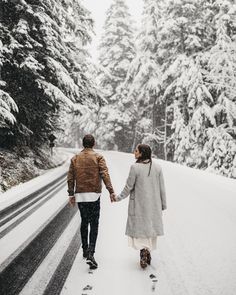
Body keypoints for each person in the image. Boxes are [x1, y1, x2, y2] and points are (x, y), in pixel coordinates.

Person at [113, 144, 167, 269]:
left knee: (140, 231)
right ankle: (146, 251)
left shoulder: (135, 168)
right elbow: (162, 189)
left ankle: (143, 252)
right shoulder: (158, 168)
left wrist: (117, 198)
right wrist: (163, 204)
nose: (134, 152)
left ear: (141, 153)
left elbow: (128, 187)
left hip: (139, 205)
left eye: (136, 151)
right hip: (154, 205)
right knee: (149, 229)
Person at [67, 134, 115, 270]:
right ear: (93, 144)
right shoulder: (98, 157)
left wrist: (71, 194)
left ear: (83, 144)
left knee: (84, 221)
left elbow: (70, 178)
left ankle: (84, 249)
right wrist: (111, 191)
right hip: (94, 195)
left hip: (81, 195)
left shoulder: (75, 158)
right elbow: (105, 174)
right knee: (94, 223)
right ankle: (91, 252)